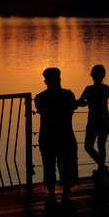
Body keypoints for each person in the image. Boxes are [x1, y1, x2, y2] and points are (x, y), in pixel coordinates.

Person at [35, 67, 78, 205]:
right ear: (59, 79)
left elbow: (41, 111)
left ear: (46, 81)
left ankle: (52, 196)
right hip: (66, 135)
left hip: (47, 136)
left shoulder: (40, 97)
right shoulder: (69, 95)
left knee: (48, 166)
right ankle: (65, 197)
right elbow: (72, 108)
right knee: (67, 166)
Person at [77, 64, 109, 176]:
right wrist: (86, 102)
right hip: (103, 121)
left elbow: (80, 102)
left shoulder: (90, 89)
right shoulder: (105, 88)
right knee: (100, 146)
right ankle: (102, 167)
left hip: (94, 121)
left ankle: (101, 168)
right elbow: (99, 100)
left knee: (90, 146)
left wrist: (85, 102)